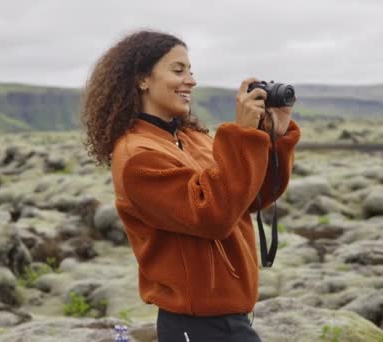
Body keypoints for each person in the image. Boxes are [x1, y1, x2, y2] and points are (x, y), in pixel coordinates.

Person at [80, 30, 301, 342]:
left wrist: (272, 140)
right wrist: (241, 135)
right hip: (197, 323)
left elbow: (249, 198)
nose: (191, 80)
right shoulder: (138, 158)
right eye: (178, 70)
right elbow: (213, 215)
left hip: (227, 314)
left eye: (191, 70)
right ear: (143, 79)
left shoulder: (191, 138)